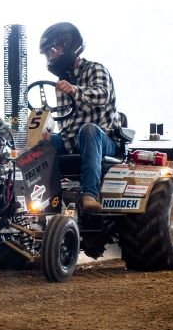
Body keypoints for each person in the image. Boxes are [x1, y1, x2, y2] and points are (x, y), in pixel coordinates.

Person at [39, 22, 119, 212]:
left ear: (67, 46)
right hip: (70, 139)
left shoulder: (95, 69)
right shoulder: (61, 82)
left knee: (88, 129)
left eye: (51, 51)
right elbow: (65, 118)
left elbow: (102, 95)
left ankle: (90, 195)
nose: (50, 58)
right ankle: (44, 199)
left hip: (103, 139)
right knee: (41, 142)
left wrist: (75, 90)